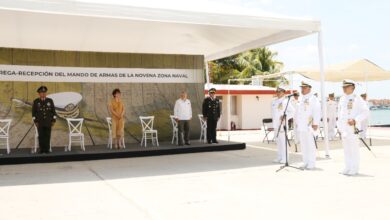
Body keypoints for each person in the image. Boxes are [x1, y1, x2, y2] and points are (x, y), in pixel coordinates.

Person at [337, 80, 369, 176]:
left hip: (352, 127)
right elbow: (340, 113)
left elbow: (366, 112)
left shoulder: (357, 98)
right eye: (343, 87)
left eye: (346, 86)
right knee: (346, 148)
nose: (344, 88)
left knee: (353, 148)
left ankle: (354, 168)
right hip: (344, 128)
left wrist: (355, 120)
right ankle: (348, 167)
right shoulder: (342, 98)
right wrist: (339, 127)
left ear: (352, 87)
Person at [294, 81, 321, 169]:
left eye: (304, 88)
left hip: (309, 125)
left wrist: (315, 123)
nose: (302, 89)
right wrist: (297, 123)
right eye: (301, 88)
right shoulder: (301, 98)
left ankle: (312, 163)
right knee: (303, 144)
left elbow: (317, 111)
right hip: (302, 125)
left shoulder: (313, 98)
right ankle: (305, 161)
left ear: (309, 88)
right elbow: (298, 112)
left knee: (310, 144)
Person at [271, 86, 295, 163]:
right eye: (277, 91)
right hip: (276, 124)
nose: (278, 93)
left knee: (283, 142)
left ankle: (285, 158)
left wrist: (285, 116)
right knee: (278, 142)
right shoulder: (274, 101)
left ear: (283, 92)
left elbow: (292, 112)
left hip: (282, 124)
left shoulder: (285, 101)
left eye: (279, 91)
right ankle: (279, 157)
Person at [32, 86, 56, 154]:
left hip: (48, 122)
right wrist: (35, 121)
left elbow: (53, 111)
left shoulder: (50, 101)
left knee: (47, 135)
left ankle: (47, 149)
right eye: (42, 93)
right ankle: (42, 149)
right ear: (39, 94)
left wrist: (53, 120)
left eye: (44, 92)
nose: (43, 94)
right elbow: (33, 113)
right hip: (40, 122)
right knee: (41, 136)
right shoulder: (36, 101)